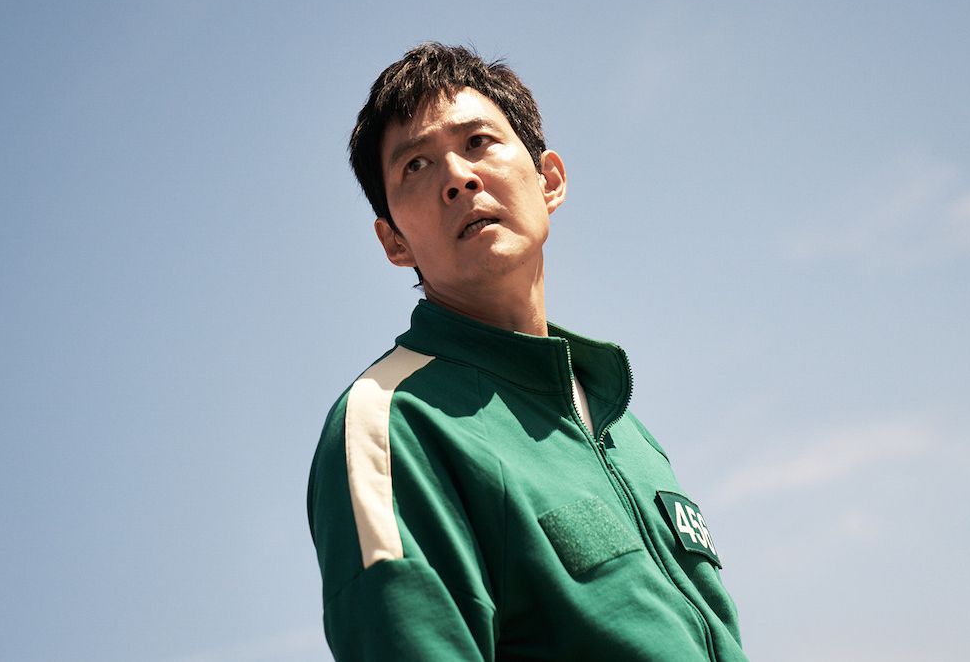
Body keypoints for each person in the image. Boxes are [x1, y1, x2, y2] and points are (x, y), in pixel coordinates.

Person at [307, 42, 748, 661]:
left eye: (478, 141)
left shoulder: (630, 432)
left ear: (549, 181)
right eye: (416, 166)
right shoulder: (393, 423)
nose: (458, 178)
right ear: (393, 242)